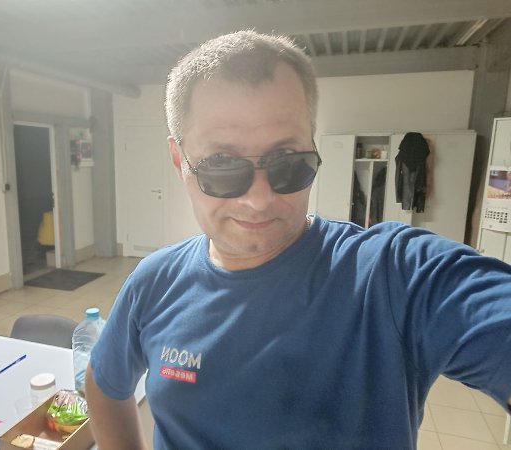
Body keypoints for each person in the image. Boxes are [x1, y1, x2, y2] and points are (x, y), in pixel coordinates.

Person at [85, 30, 511, 449]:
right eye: (222, 165)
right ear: (180, 161)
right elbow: (104, 384)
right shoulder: (153, 282)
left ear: (312, 144)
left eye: (288, 161)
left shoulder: (392, 276)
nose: (258, 200)